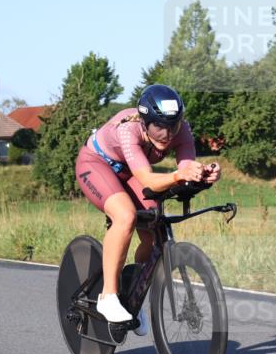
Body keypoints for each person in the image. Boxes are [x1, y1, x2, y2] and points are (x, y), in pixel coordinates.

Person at [74, 84, 221, 335]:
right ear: (145, 122)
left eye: (172, 126)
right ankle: (108, 296)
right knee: (125, 215)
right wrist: (179, 174)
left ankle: (133, 294)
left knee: (154, 230)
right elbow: (149, 180)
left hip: (128, 171)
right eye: (158, 126)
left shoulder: (181, 129)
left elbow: (185, 169)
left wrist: (203, 174)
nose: (165, 134)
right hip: (96, 164)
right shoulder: (129, 129)